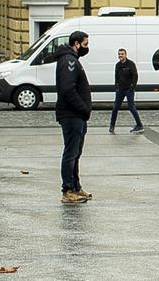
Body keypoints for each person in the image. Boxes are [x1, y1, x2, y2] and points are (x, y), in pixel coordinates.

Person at [56, 30, 92, 204]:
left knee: (76, 153)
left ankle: (76, 187)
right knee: (70, 153)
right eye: (85, 44)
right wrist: (83, 108)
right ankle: (67, 190)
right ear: (76, 44)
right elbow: (67, 89)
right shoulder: (69, 61)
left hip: (77, 115)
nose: (87, 48)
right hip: (71, 115)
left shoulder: (73, 60)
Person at [110, 48, 144, 134]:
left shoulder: (131, 64)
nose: (120, 56)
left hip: (129, 89)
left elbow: (135, 76)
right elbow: (116, 76)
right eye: (119, 54)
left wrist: (132, 87)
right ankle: (112, 126)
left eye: (122, 54)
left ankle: (139, 125)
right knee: (115, 108)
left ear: (125, 55)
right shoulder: (117, 65)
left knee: (131, 107)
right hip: (120, 90)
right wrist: (116, 87)